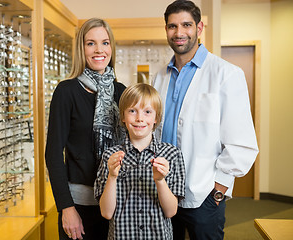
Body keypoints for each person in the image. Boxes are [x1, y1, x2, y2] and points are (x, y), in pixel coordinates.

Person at [152, 1, 259, 239]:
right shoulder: (159, 77)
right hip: (163, 192)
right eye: (172, 26)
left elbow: (241, 142)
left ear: (199, 28)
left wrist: (218, 191)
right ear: (166, 29)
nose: (179, 33)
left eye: (186, 25)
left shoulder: (226, 74)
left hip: (203, 196)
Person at [45, 18, 126, 240]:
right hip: (79, 205)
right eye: (91, 43)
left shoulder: (122, 92)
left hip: (118, 204)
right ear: (82, 48)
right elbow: (52, 154)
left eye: (105, 43)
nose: (99, 50)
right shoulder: (66, 91)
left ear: (111, 48)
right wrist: (66, 208)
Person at [94, 83, 185, 239]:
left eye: (147, 112)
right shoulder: (110, 156)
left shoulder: (172, 154)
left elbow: (171, 211)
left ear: (156, 117)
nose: (139, 118)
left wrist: (160, 180)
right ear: (123, 116)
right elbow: (106, 213)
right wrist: (112, 176)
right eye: (132, 111)